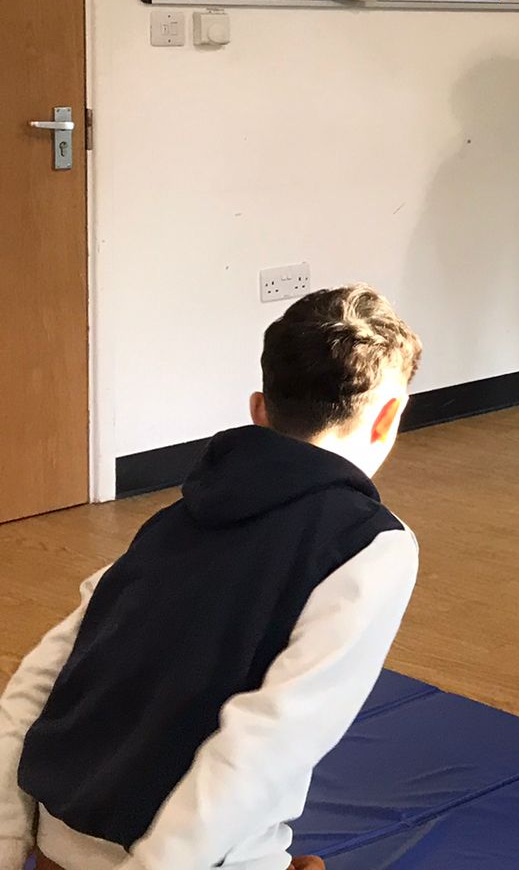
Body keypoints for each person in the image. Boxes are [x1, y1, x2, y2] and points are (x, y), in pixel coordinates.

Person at [0, 286, 422, 870]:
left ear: (259, 409)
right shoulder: (376, 547)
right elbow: (266, 747)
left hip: (59, 837)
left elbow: (40, 677)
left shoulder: (173, 519)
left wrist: (7, 840)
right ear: (388, 416)